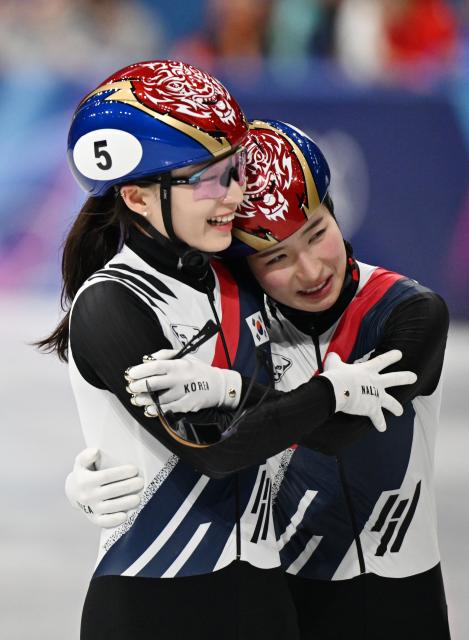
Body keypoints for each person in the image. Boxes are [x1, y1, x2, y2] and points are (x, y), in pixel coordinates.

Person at [39, 62, 415, 640]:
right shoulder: (111, 304)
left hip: (266, 601)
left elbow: (330, 428)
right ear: (138, 198)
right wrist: (326, 394)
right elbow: (211, 452)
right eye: (210, 179)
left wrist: (316, 397)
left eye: (236, 169)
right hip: (153, 604)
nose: (234, 194)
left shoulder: (239, 281)